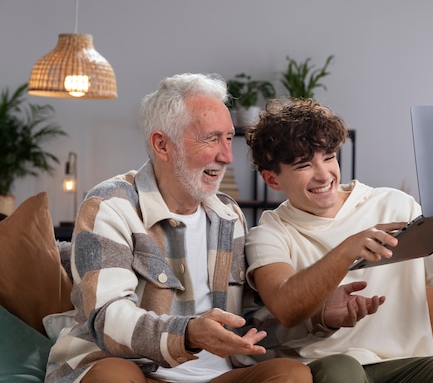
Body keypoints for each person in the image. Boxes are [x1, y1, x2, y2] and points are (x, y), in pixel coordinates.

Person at [45, 73, 313, 383]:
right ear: (162, 144)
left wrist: (319, 317)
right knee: (112, 377)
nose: (226, 156)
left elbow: (250, 318)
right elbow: (107, 318)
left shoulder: (229, 215)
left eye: (228, 138)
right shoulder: (111, 204)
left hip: (217, 375)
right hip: (138, 370)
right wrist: (186, 334)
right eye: (211, 138)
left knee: (291, 374)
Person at [244, 98, 433, 383]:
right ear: (272, 180)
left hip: (408, 365)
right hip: (322, 365)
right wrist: (346, 251)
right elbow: (286, 309)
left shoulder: (396, 204)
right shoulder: (269, 233)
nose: (323, 175)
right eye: (304, 165)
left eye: (329, 158)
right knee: (343, 370)